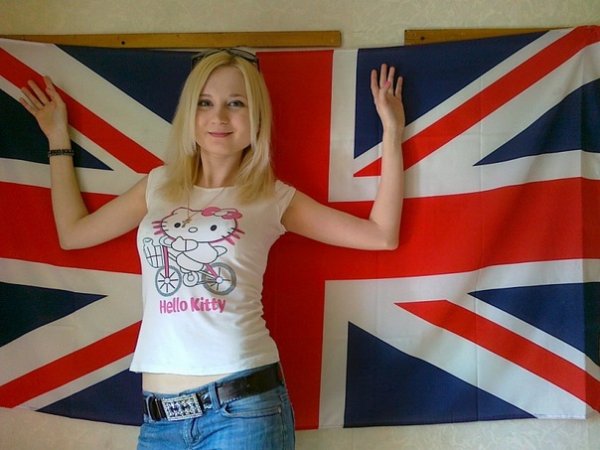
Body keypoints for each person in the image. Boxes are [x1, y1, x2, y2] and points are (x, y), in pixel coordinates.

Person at [19, 48, 405, 450]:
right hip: (159, 421)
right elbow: (73, 234)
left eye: (236, 103)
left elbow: (381, 235)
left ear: (256, 118)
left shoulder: (272, 197)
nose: (219, 116)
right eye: (205, 103)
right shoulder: (157, 186)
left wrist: (392, 134)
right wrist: (58, 139)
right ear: (190, 114)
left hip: (242, 411)